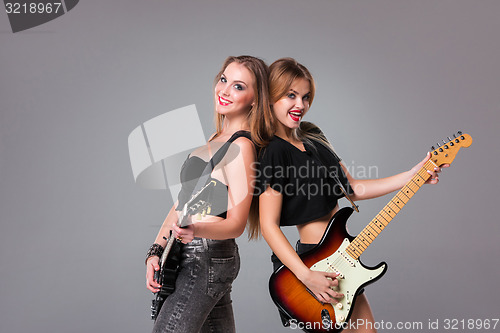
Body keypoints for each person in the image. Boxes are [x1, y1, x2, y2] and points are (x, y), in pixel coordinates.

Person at [249, 58, 447, 332]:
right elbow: (268, 226)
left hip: (343, 257)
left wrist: (414, 175)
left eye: (306, 97)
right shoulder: (274, 151)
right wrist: (307, 276)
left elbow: (351, 188)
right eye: (290, 96)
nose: (300, 105)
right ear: (270, 97)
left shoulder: (313, 136)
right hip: (315, 264)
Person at [145, 55, 270, 333]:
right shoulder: (215, 139)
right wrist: (155, 251)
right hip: (189, 254)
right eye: (224, 80)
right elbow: (181, 204)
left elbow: (236, 224)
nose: (224, 90)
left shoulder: (242, 147)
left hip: (207, 259)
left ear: (254, 99)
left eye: (238, 86)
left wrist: (196, 229)